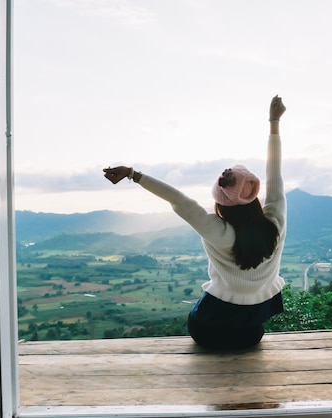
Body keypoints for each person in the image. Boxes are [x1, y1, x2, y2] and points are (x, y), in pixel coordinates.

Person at [103, 95, 287, 350]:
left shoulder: (218, 231)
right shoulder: (274, 223)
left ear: (221, 202)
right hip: (250, 333)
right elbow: (274, 172)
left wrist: (133, 175)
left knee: (198, 317)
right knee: (249, 331)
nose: (224, 172)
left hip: (210, 330)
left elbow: (180, 200)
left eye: (226, 175)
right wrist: (274, 122)